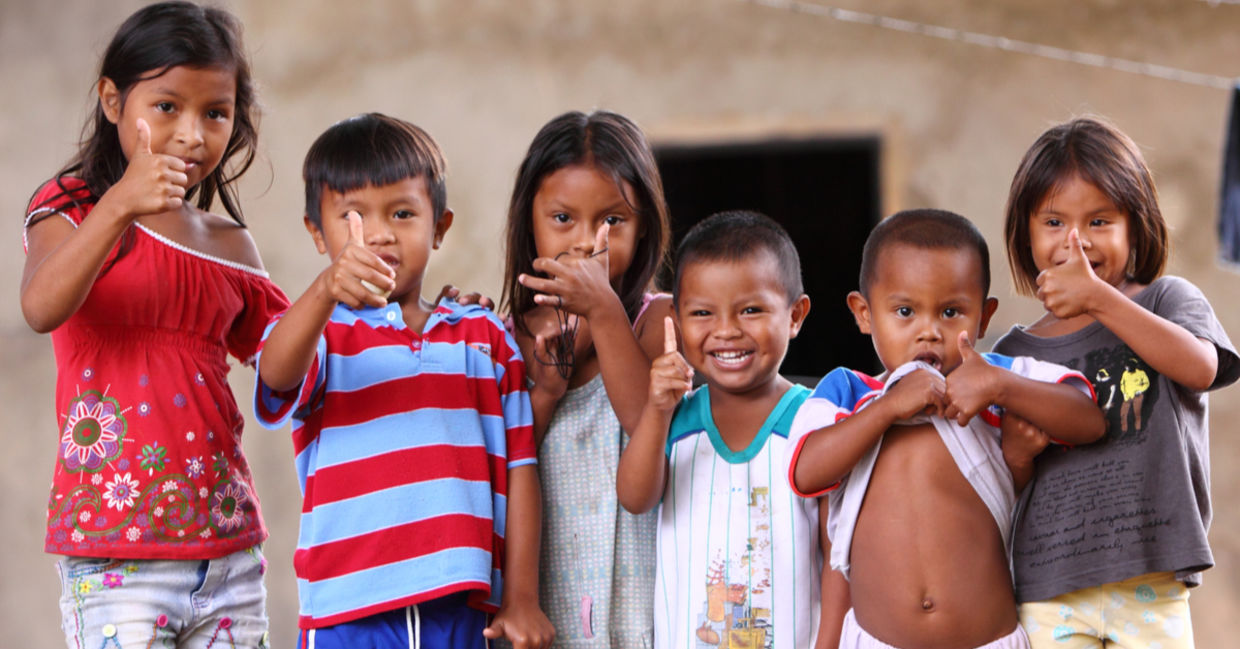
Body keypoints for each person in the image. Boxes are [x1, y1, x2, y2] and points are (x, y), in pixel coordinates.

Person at [20, 3, 287, 647]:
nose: (192, 135)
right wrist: (119, 206)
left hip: (226, 552)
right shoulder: (71, 209)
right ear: (113, 100)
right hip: (117, 551)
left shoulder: (228, 242)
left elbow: (283, 367)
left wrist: (344, 292)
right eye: (166, 106)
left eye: (215, 113)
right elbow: (41, 307)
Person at [253, 113, 552, 649]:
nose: (383, 232)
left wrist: (522, 596)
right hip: (345, 611)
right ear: (317, 234)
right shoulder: (321, 335)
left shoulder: (483, 339)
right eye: (352, 216)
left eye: (403, 212)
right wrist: (325, 292)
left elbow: (522, 468)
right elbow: (275, 373)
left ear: (439, 226)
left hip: (462, 609)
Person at [785, 209, 1105, 649]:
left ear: (985, 316)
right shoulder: (850, 391)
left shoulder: (991, 380)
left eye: (952, 311)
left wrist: (1002, 385)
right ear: (863, 313)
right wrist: (888, 408)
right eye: (904, 311)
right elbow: (805, 472)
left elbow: (1088, 419)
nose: (929, 332)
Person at [995, 116, 1240, 648]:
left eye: (1100, 221)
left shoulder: (1167, 301)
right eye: (1054, 222)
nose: (1076, 243)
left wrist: (1099, 299)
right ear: (1025, 233)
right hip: (1048, 588)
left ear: (1137, 225)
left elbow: (1200, 368)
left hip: (1150, 577)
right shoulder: (1012, 355)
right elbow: (996, 489)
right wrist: (1015, 458)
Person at [617, 210, 849, 649]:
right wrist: (655, 409)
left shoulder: (814, 423)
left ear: (796, 315)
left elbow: (838, 560)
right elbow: (634, 497)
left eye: (751, 310)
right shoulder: (676, 421)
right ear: (677, 321)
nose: (726, 331)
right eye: (702, 313)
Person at [499, 110, 671, 647]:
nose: (586, 242)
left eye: (612, 221)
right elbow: (506, 459)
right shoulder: (508, 337)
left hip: (637, 603)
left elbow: (645, 422)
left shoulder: (656, 321)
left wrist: (603, 311)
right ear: (530, 220)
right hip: (545, 600)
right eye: (562, 218)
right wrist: (545, 391)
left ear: (644, 226)